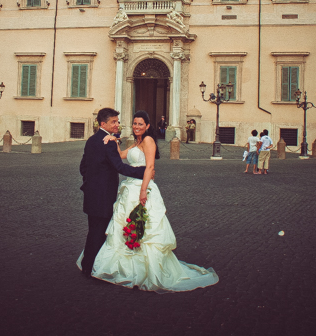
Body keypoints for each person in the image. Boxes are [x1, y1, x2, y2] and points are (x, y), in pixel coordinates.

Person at [77, 110, 218, 292]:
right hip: (127, 187)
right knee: (118, 227)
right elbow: (118, 158)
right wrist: (114, 141)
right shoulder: (134, 142)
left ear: (148, 126)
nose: (135, 127)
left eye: (140, 124)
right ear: (103, 124)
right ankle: (108, 265)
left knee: (140, 228)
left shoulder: (148, 141)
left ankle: (135, 267)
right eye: (134, 123)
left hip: (139, 188)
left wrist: (144, 187)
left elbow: (149, 166)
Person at [78, 108, 149, 278]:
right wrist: (143, 172)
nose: (118, 124)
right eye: (114, 122)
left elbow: (83, 167)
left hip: (91, 194)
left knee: (93, 229)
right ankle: (92, 267)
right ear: (103, 124)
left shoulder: (91, 140)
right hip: (103, 195)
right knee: (99, 231)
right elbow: (119, 167)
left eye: (118, 121)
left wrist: (91, 182)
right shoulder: (108, 142)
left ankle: (88, 263)